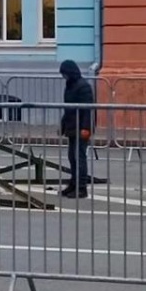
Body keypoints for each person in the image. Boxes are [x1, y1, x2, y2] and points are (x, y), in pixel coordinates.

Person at [59, 59, 94, 199]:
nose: (64, 76)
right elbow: (68, 107)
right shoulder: (70, 85)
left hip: (81, 127)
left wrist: (86, 128)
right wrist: (63, 124)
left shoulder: (83, 86)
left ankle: (81, 188)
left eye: (65, 73)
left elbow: (87, 110)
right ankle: (73, 184)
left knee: (79, 157)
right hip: (72, 126)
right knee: (72, 157)